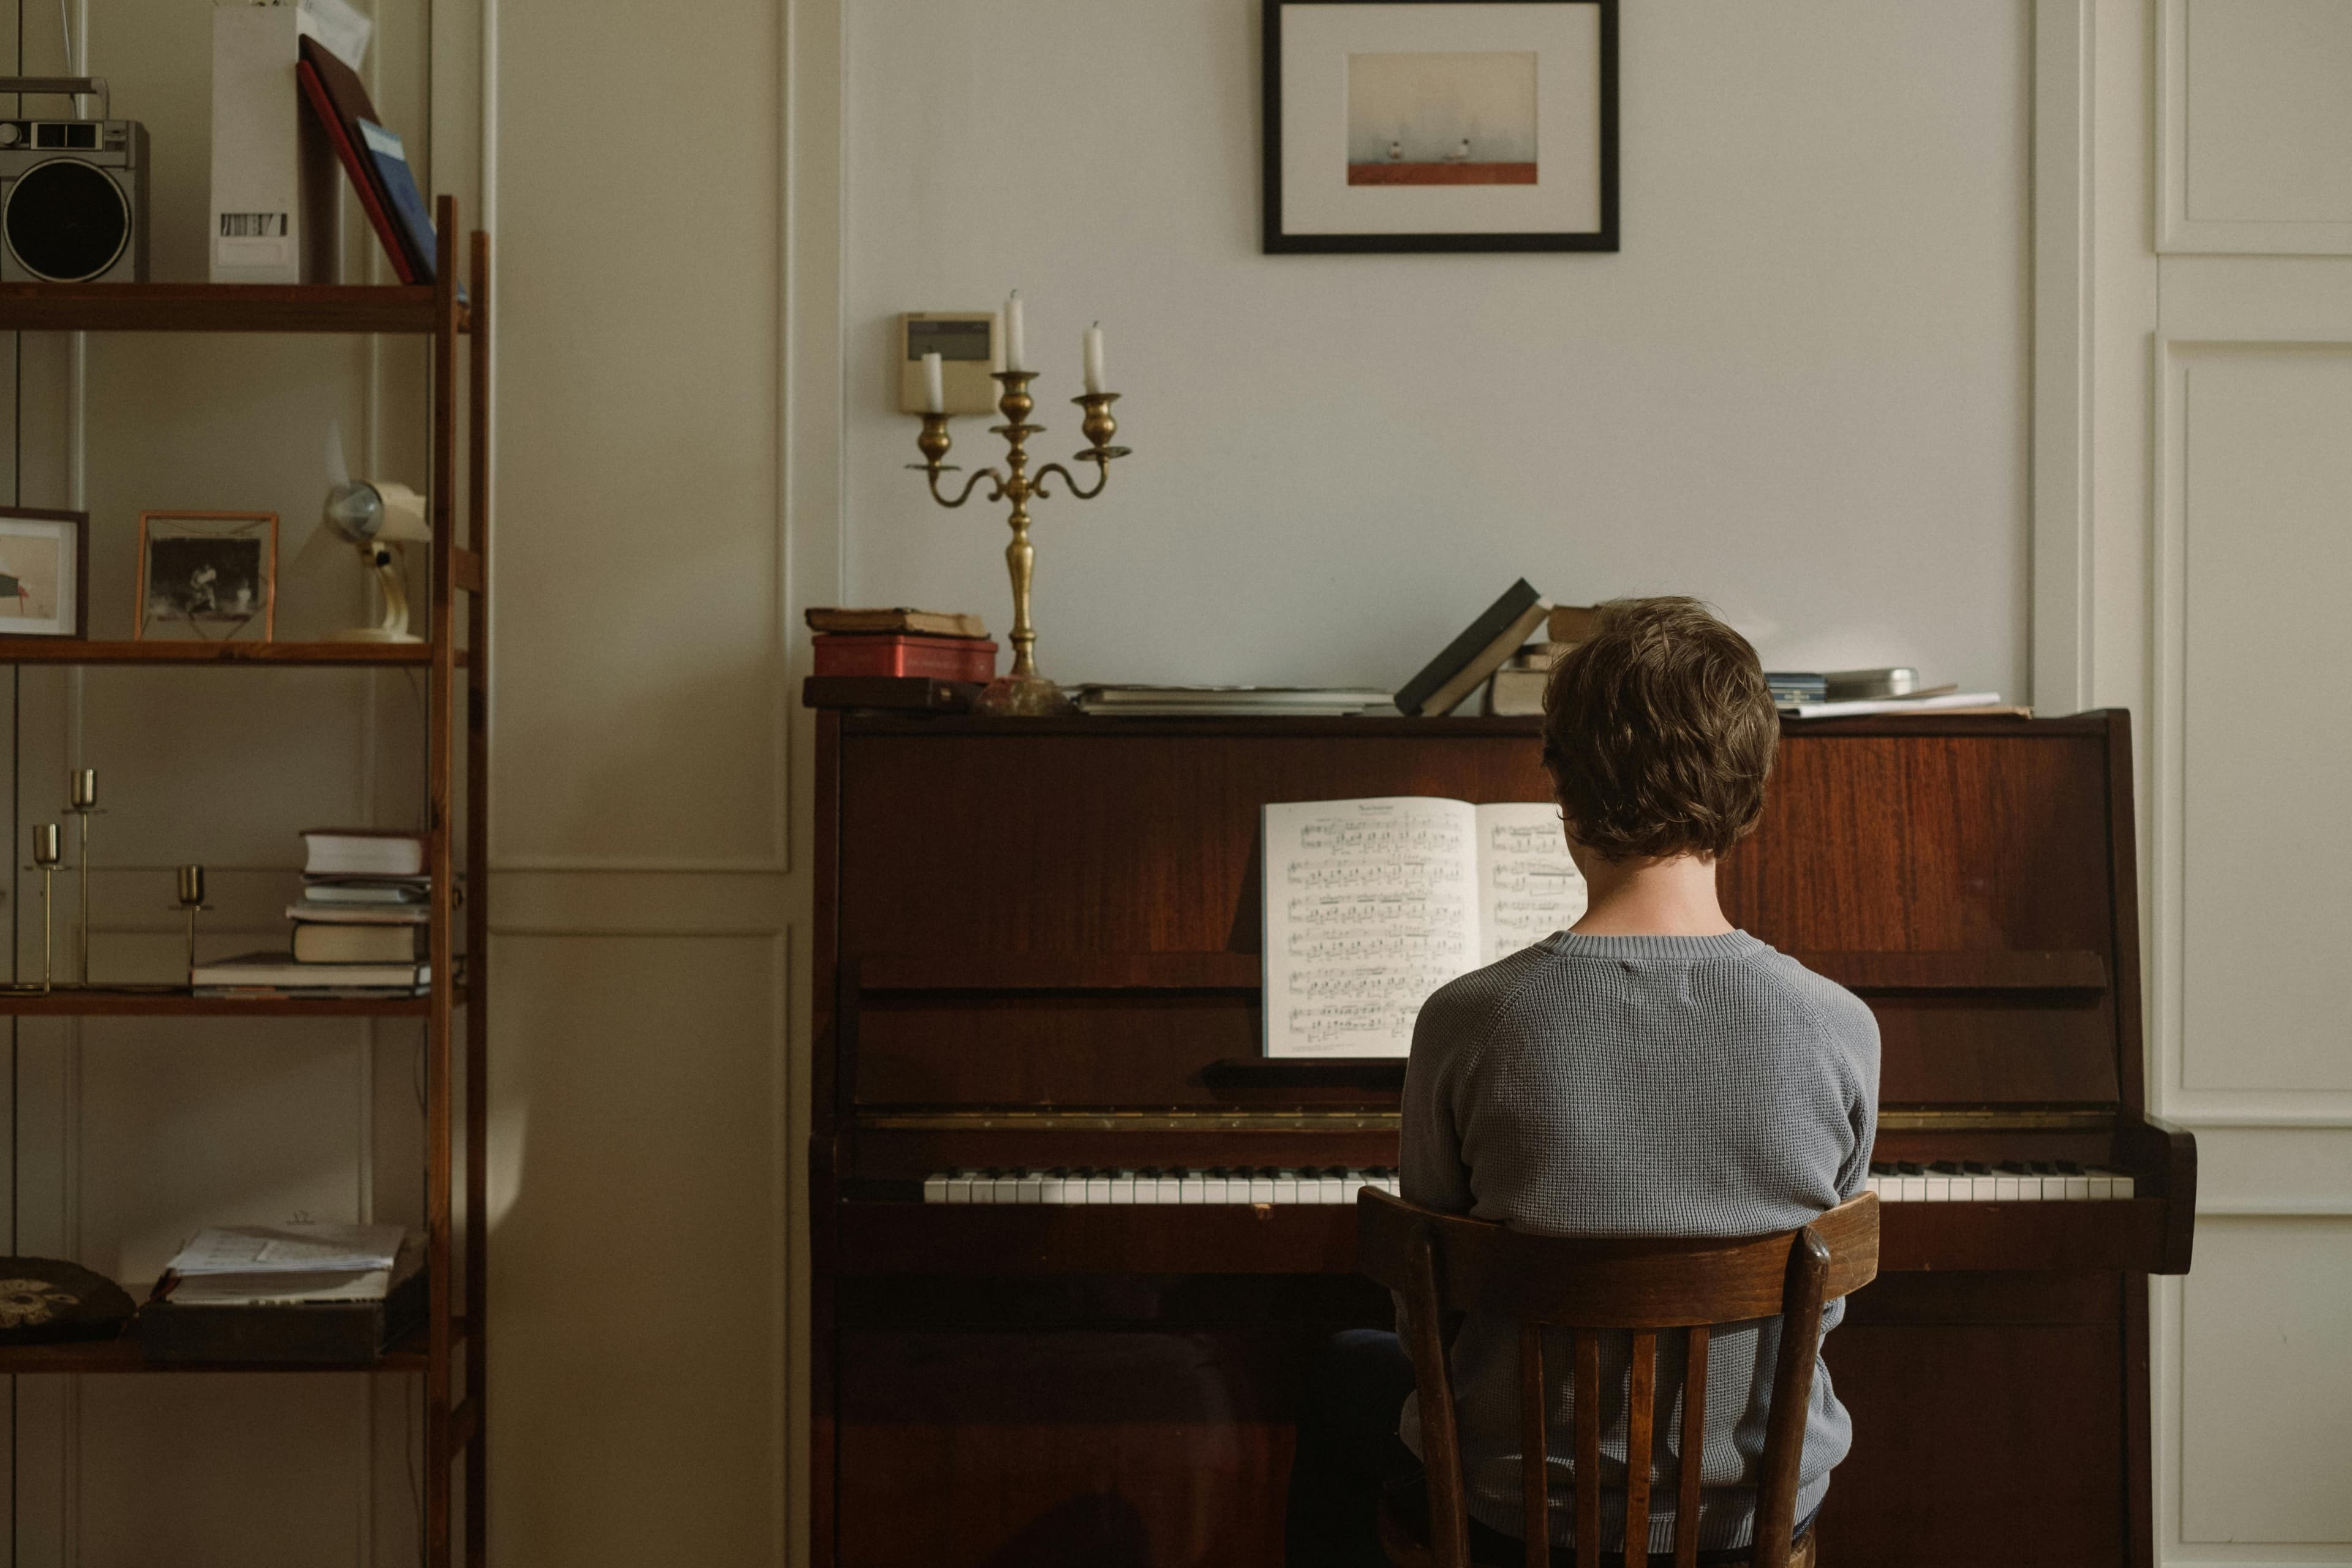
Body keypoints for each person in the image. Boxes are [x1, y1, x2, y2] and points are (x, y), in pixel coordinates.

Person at [1286, 596, 1879, 1567]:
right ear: (1753, 787)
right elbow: (1821, 1316)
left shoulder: (1465, 1021)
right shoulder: (1841, 1026)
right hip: (1747, 1522)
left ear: (1560, 785)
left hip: (1515, 1520)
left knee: (1347, 1371)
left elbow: (1426, 1311)